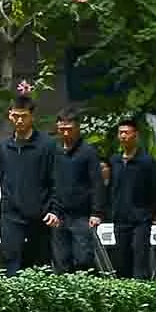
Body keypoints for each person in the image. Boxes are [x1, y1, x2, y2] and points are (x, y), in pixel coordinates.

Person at [0, 97, 60, 275]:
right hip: (11, 214)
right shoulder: (5, 146)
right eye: (15, 116)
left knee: (40, 266)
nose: (19, 120)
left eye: (24, 116)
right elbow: (3, 178)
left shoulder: (47, 145)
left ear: (32, 117)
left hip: (40, 214)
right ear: (10, 116)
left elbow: (56, 180)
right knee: (11, 264)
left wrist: (54, 209)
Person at [50, 111, 107, 275]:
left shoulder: (88, 152)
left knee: (83, 259)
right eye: (62, 129)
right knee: (61, 261)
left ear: (78, 128)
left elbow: (97, 183)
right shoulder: (54, 150)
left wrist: (97, 212)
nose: (66, 133)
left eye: (70, 129)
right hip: (58, 215)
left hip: (82, 215)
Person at [105, 118, 156, 279]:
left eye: (126, 133)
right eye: (120, 133)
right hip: (120, 219)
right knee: (121, 262)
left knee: (140, 261)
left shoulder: (147, 162)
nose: (123, 136)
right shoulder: (115, 160)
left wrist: (151, 213)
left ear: (135, 135)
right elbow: (111, 188)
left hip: (141, 220)